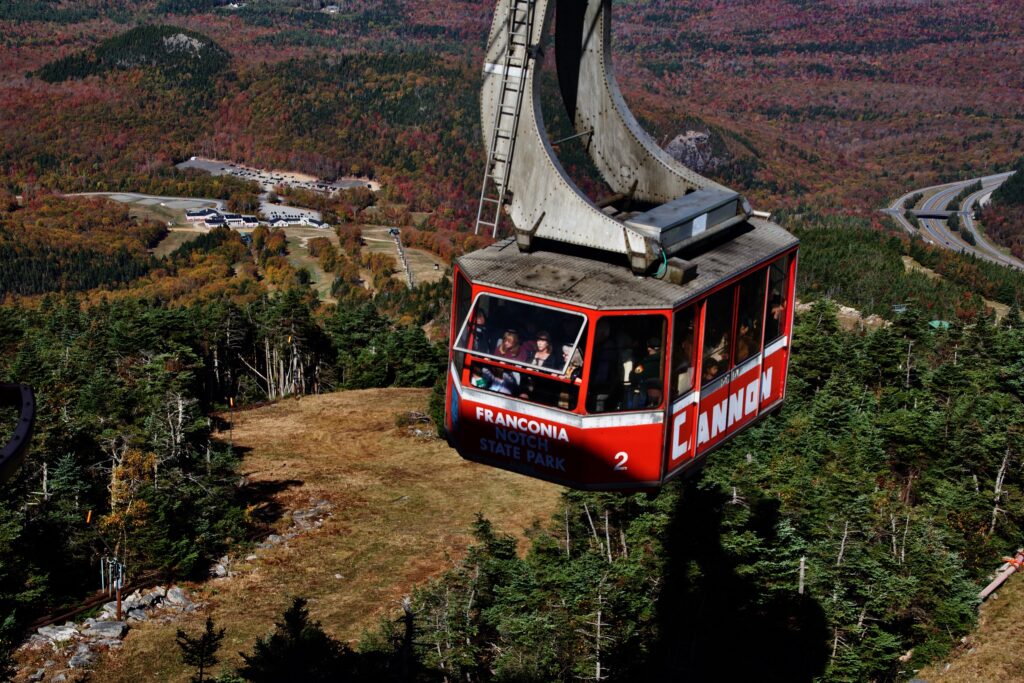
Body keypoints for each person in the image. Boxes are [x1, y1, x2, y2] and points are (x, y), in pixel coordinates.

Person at [631, 337, 664, 408]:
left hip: (645, 398)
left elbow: (633, 377)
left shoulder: (643, 364)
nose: (648, 349)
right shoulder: (667, 363)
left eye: (649, 347)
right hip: (664, 397)